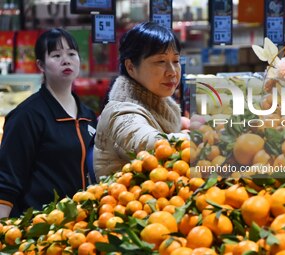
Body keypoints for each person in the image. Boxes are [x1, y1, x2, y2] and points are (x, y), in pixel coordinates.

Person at [0, 28, 97, 218]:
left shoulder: (88, 116)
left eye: (71, 54)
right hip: (38, 227)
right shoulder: (27, 116)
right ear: (41, 65)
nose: (66, 60)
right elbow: (7, 179)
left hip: (80, 227)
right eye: (56, 55)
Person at [94, 21, 189, 180]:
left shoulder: (159, 107)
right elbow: (149, 143)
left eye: (176, 61)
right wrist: (202, 138)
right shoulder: (120, 113)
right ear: (131, 67)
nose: (172, 72)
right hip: (124, 203)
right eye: (160, 61)